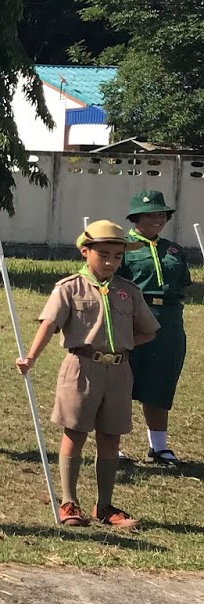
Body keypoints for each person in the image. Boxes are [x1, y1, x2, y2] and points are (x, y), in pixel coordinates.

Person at [17, 220, 159, 530]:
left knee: (110, 436)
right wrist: (30, 357)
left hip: (118, 371)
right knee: (75, 433)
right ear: (85, 251)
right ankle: (69, 502)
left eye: (117, 256)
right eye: (103, 254)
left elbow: (149, 330)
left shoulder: (128, 291)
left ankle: (104, 506)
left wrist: (121, 344)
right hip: (81, 367)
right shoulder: (69, 288)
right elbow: (49, 324)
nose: (110, 262)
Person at [118, 189, 191, 467]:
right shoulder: (121, 247)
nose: (158, 219)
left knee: (161, 381)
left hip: (169, 320)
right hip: (133, 315)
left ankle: (159, 447)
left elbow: (183, 283)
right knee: (122, 380)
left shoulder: (174, 250)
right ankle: (114, 444)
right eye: (151, 214)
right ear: (136, 217)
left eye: (162, 214)